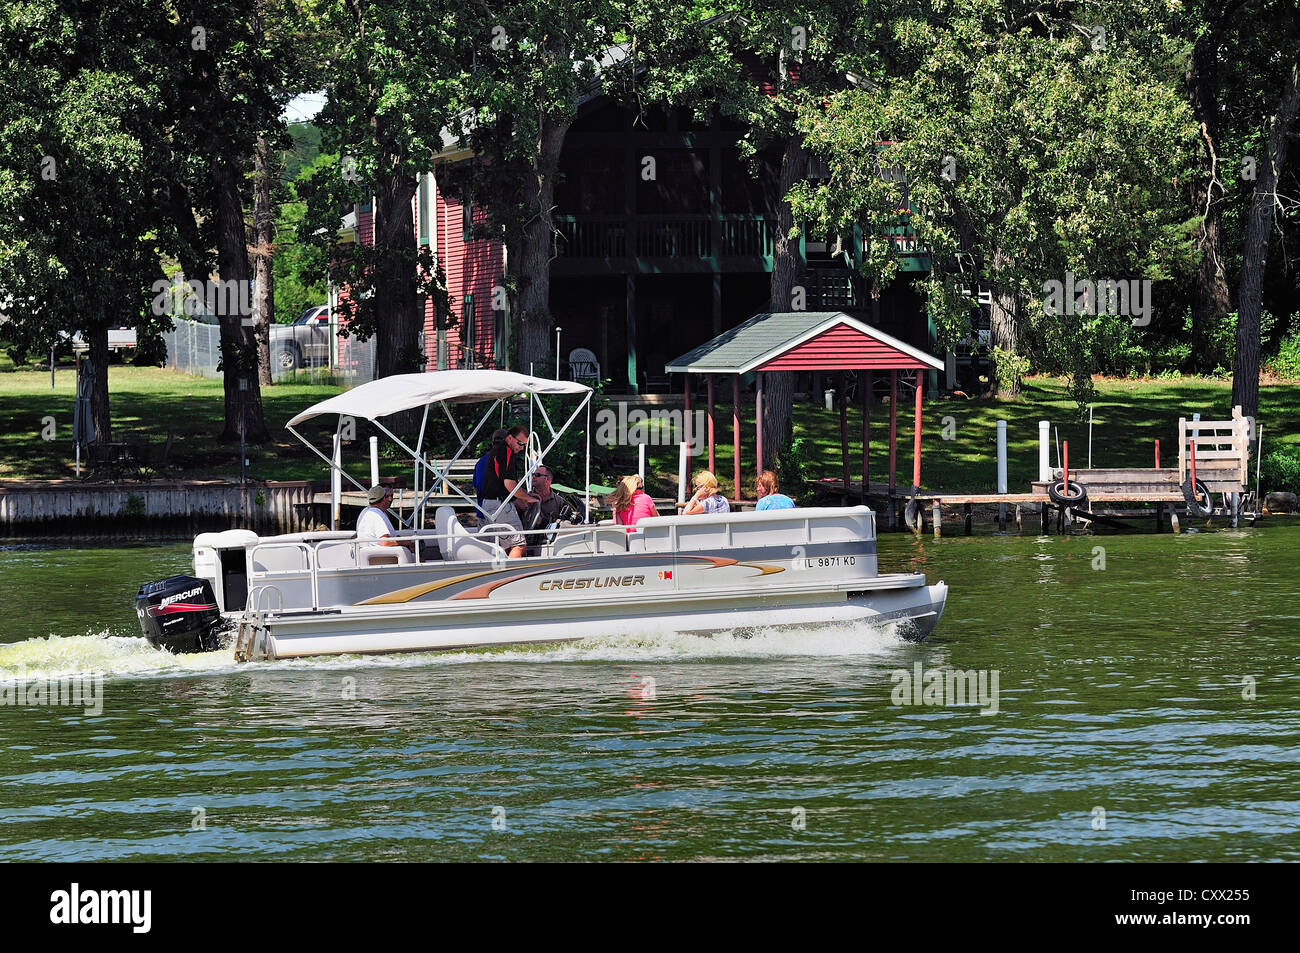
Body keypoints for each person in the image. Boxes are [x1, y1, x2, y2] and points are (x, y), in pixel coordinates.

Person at [478, 424, 535, 558]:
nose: (521, 448)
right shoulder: (507, 452)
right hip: (500, 506)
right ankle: (513, 578)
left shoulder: (493, 453)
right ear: (509, 438)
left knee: (500, 546)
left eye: (524, 445)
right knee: (519, 544)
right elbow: (510, 485)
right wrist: (528, 498)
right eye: (520, 443)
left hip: (487, 505)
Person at [356, 485, 415, 553]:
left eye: (391, 496)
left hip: (370, 554)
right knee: (419, 547)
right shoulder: (376, 515)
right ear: (384, 498)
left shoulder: (366, 511)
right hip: (383, 556)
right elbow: (385, 542)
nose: (390, 499)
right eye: (387, 496)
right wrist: (406, 542)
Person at [473, 428, 508, 507]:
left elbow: (476, 486)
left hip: (482, 508)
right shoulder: (504, 460)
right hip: (498, 509)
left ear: (492, 443)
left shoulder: (480, 462)